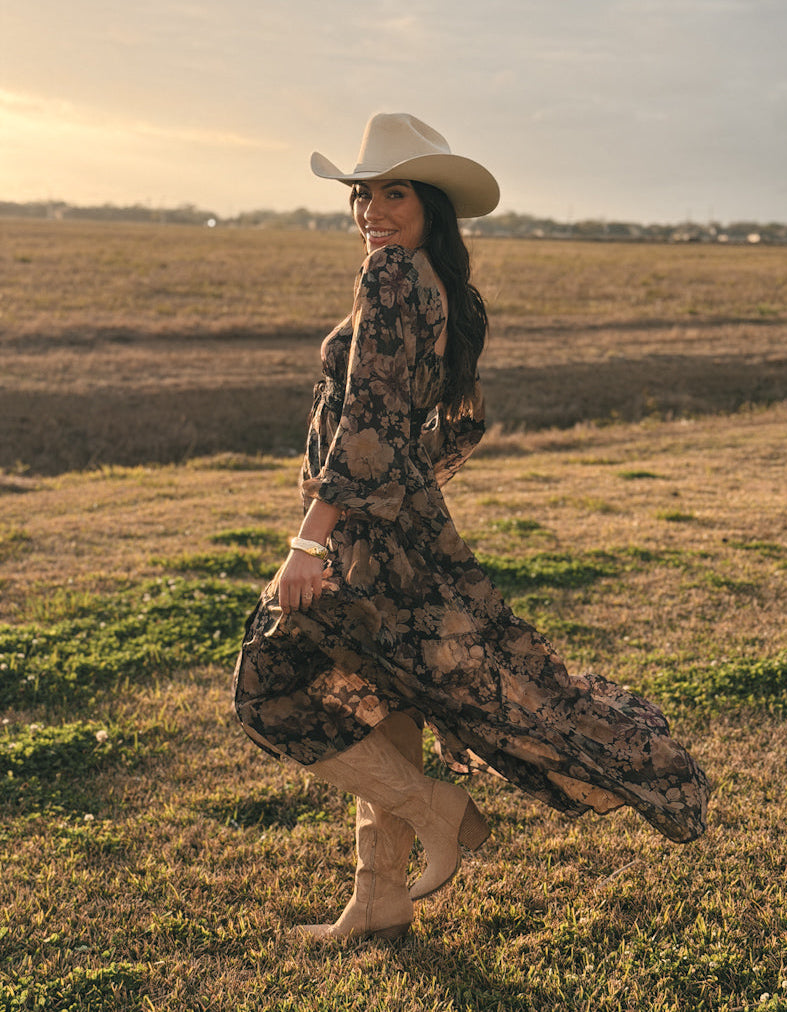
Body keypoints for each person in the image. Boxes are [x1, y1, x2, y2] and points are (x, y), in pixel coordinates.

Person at [233, 112, 710, 941]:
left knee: (268, 693)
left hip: (360, 537)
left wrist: (314, 536)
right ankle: (377, 905)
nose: (373, 211)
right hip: (397, 526)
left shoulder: (388, 278)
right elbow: (455, 424)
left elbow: (369, 417)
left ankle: (437, 809)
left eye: (395, 193)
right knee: (385, 699)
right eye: (363, 195)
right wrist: (408, 489)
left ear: (431, 206)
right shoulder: (441, 287)